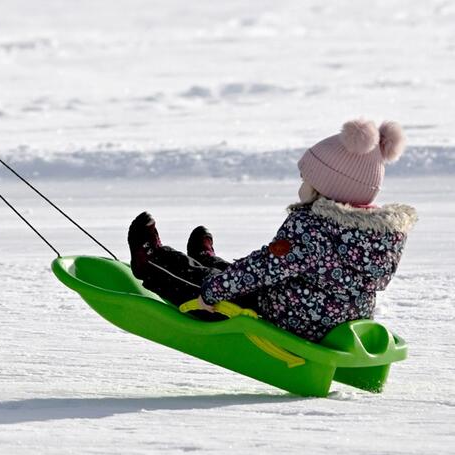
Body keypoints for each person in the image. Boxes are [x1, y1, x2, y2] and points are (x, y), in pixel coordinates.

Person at [127, 119, 417, 342]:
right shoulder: (381, 235)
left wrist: (212, 294)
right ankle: (207, 260)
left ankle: (152, 261)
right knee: (243, 274)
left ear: (327, 188)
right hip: (335, 318)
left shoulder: (314, 226)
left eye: (307, 180)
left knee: (210, 284)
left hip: (288, 316)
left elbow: (265, 267)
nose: (301, 186)